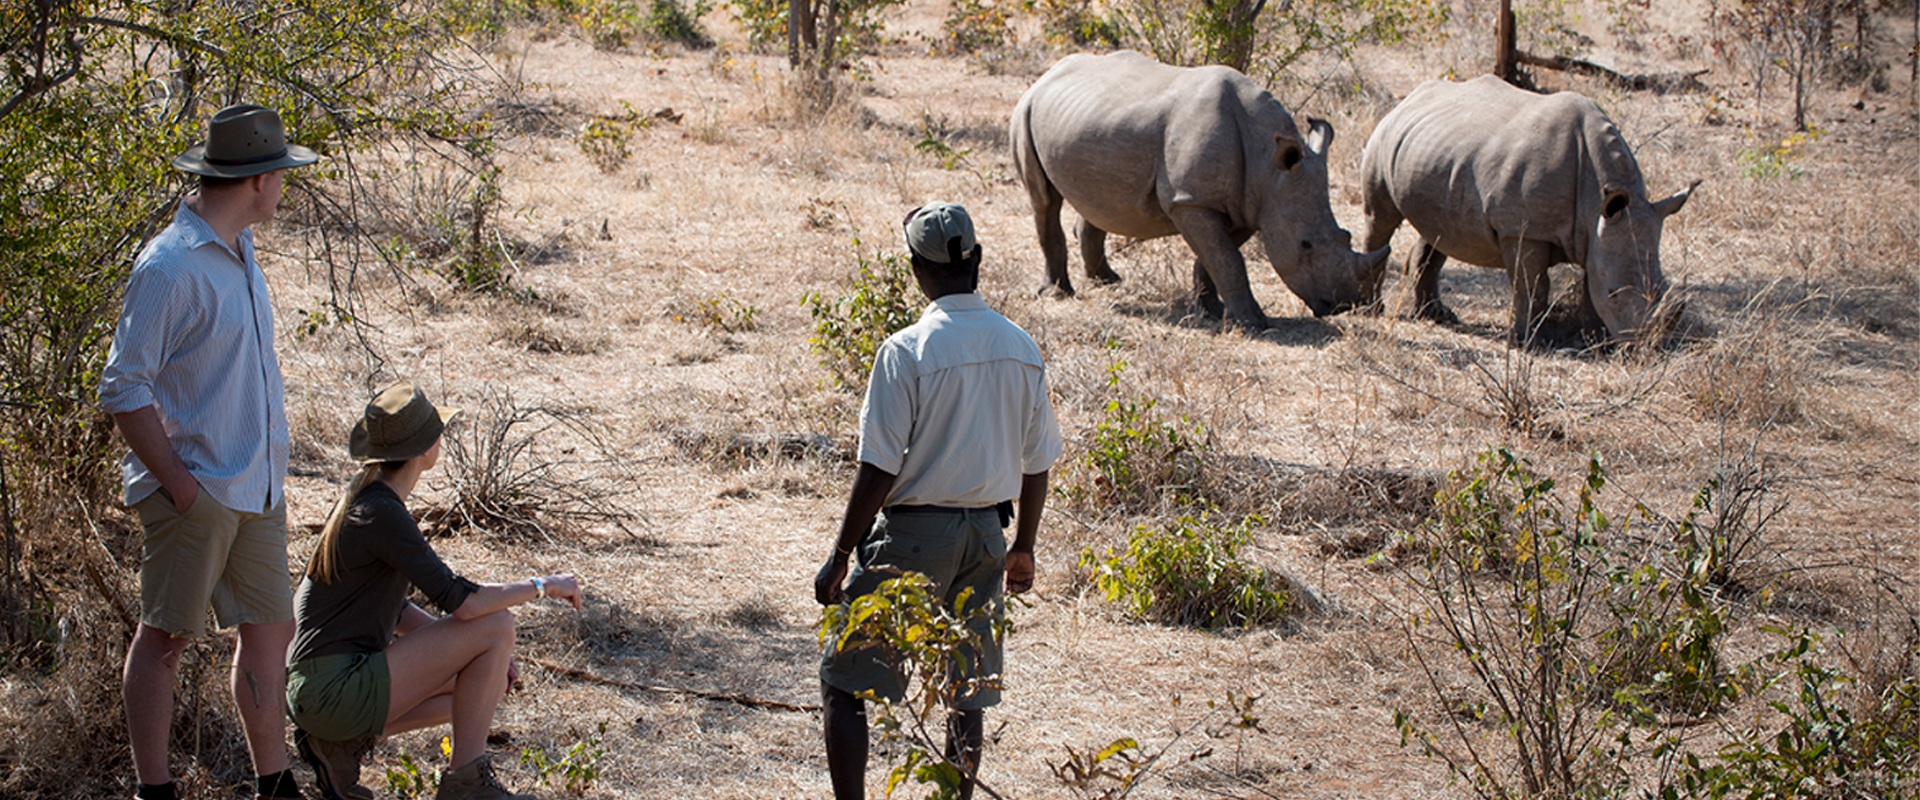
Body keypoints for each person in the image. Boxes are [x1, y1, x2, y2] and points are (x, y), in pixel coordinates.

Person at [99, 103, 319, 800]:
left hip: (257, 486)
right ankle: (154, 790)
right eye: (281, 174)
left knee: (269, 631)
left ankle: (274, 781)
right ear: (257, 180)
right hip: (196, 490)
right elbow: (123, 386)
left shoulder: (240, 250)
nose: (285, 186)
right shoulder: (169, 266)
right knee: (164, 639)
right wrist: (179, 485)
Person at [813, 201, 1064, 800]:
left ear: (915, 270)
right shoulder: (1020, 346)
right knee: (965, 689)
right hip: (985, 537)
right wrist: (1022, 546)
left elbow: (878, 467)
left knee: (844, 681)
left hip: (914, 537)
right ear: (977, 259)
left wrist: (841, 551)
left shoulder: (907, 351)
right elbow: (1038, 461)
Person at [287, 382, 583, 800]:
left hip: (319, 691)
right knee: (496, 623)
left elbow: (398, 609)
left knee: (488, 681)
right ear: (425, 448)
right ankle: (466, 783)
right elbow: (465, 602)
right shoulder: (382, 512)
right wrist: (543, 585)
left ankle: (342, 743)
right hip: (333, 690)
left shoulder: (367, 501)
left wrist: (472, 654)